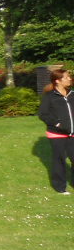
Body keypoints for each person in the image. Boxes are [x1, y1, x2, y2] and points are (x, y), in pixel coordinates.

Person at [37, 66, 74, 194]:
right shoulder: (50, 96)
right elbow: (43, 114)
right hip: (57, 134)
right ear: (58, 80)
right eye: (66, 77)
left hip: (72, 133)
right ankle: (60, 187)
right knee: (60, 160)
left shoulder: (72, 94)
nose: (70, 79)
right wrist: (57, 124)